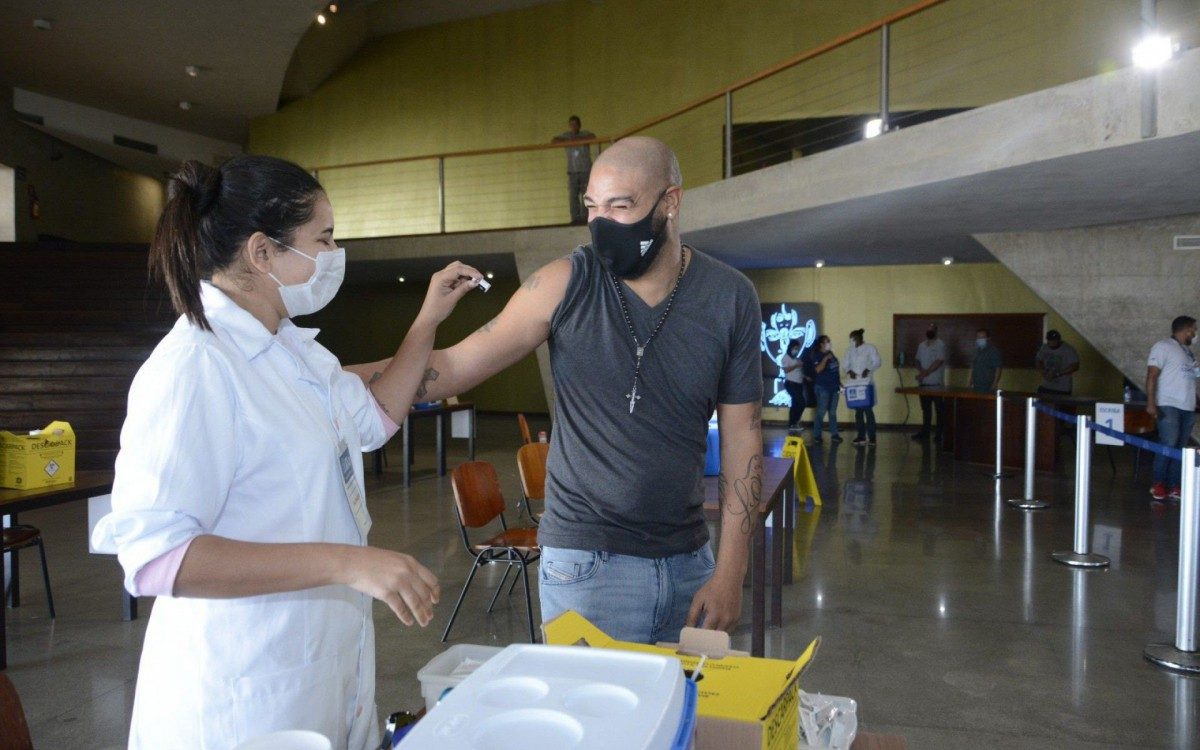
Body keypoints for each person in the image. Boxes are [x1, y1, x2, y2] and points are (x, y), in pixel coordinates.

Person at [90, 156, 483, 750]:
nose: (334, 253)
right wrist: (347, 563)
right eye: (323, 238)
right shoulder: (195, 366)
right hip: (239, 697)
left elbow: (373, 419)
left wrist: (428, 318)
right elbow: (158, 558)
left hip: (312, 670)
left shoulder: (295, 352)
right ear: (262, 252)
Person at [388, 136, 763, 644]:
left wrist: (731, 570)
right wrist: (324, 375)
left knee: (685, 699)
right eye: (592, 207)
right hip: (586, 566)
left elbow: (742, 436)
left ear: (670, 202)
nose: (601, 223)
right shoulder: (566, 282)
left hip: (689, 562)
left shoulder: (730, 297)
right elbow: (451, 366)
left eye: (620, 206)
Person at [1145, 315, 1198, 501]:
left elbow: (1190, 378)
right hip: (1169, 405)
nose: (1195, 333)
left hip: (1188, 406)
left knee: (1180, 447)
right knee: (1168, 443)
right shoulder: (1163, 346)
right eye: (1194, 329)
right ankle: (1158, 484)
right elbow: (1152, 374)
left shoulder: (1187, 352)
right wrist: (1151, 403)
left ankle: (1175, 485)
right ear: (1187, 330)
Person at [551, 115, 596, 224]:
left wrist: (577, 140)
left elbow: (593, 137)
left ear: (579, 125)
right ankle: (575, 219)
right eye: (571, 124)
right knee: (573, 196)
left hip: (585, 170)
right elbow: (554, 140)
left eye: (575, 124)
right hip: (572, 172)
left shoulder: (584, 133)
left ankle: (585, 218)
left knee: (585, 195)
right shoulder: (567, 136)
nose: (573, 126)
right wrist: (569, 140)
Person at [844, 328, 881, 447]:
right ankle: (861, 436)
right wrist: (849, 371)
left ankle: (872, 437)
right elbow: (845, 364)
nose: (851, 341)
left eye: (853, 338)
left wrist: (868, 369)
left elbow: (877, 362)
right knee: (858, 411)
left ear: (858, 338)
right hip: (853, 384)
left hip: (866, 383)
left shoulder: (870, 348)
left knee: (868, 410)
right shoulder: (850, 350)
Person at [912, 323, 946, 441]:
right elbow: (917, 360)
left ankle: (939, 434)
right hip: (923, 383)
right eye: (928, 329)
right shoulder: (921, 345)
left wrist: (926, 372)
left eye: (931, 329)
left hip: (936, 383)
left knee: (939, 410)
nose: (929, 331)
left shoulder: (940, 344)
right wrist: (921, 371)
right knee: (926, 409)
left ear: (936, 331)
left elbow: (939, 361)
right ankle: (925, 432)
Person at [809, 335, 842, 444]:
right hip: (823, 388)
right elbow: (818, 370)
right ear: (821, 344)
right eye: (827, 342)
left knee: (832, 412)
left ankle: (835, 434)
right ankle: (817, 435)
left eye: (829, 341)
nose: (829, 343)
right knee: (821, 411)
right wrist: (825, 359)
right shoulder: (817, 355)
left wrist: (839, 383)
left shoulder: (831, 354)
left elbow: (835, 369)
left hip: (834, 387)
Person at [1034, 329, 1079, 396]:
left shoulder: (1068, 349)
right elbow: (1038, 360)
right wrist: (1042, 371)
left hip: (1062, 388)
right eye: (1050, 340)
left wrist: (1058, 374)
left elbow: (1075, 366)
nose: (1052, 342)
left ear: (1059, 340)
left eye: (1054, 340)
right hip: (1046, 385)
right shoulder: (1044, 348)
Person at [781, 339, 806, 432]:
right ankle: (793, 423)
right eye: (795, 348)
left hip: (799, 384)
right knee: (801, 402)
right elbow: (786, 370)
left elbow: (799, 371)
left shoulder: (796, 358)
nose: (796, 350)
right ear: (790, 347)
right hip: (791, 384)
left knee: (796, 403)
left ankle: (794, 423)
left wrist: (805, 377)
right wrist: (796, 365)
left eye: (798, 348)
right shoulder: (785, 357)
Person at [970, 327, 1003, 393]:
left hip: (988, 386)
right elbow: (974, 368)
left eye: (982, 337)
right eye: (978, 337)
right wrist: (970, 381)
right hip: (976, 385)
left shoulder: (993, 351)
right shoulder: (977, 351)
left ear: (988, 338)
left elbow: (998, 368)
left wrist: (994, 384)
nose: (980, 339)